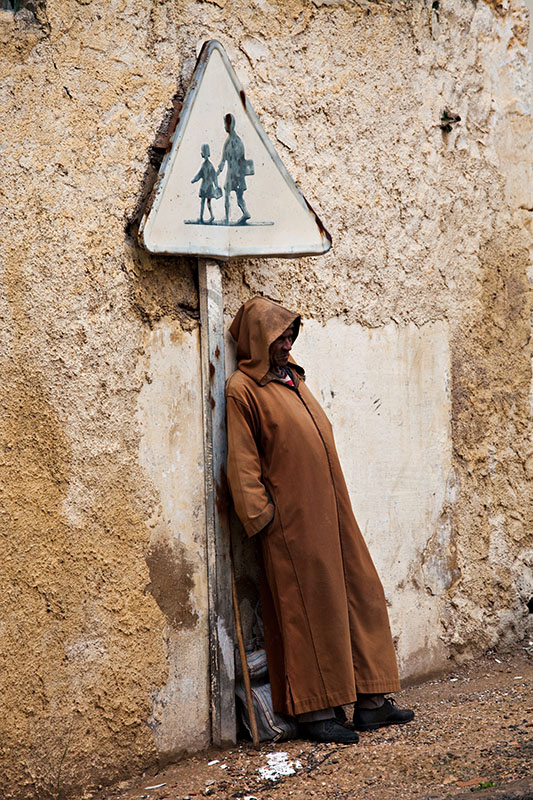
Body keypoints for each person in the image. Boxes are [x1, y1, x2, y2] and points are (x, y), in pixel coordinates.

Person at [225, 296, 414, 744]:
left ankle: (369, 701)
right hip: (292, 523)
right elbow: (241, 464)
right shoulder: (243, 389)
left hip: (333, 512)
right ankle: (316, 712)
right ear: (256, 339)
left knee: (360, 593)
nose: (287, 343)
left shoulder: (293, 379)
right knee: (309, 611)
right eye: (278, 336)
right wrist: (265, 518)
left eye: (291, 335)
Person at [217, 113, 251, 225]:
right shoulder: (235, 141)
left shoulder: (233, 142)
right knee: (239, 197)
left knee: (227, 194)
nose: (224, 127)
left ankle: (227, 218)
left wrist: (218, 172)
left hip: (233, 173)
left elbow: (225, 160)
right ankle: (245, 213)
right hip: (238, 174)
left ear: (229, 125)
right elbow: (224, 160)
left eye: (225, 124)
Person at [191, 143, 220, 224]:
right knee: (207, 202)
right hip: (209, 186)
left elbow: (200, 174)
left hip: (205, 187)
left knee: (204, 202)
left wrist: (194, 179)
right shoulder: (209, 165)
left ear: (202, 154)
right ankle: (208, 216)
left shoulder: (206, 165)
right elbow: (214, 177)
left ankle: (202, 217)